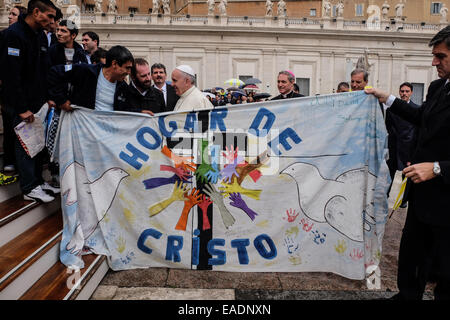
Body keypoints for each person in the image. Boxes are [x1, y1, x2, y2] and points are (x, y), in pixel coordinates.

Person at [365, 25, 450, 300]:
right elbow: (421, 117)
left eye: (440, 56)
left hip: (447, 198)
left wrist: (437, 167)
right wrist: (386, 97)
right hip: (422, 194)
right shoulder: (439, 87)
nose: (433, 62)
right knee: (412, 254)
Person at [0, 0, 59, 202]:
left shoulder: (40, 36)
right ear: (36, 12)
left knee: (37, 145)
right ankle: (28, 188)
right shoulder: (13, 35)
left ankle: (37, 181)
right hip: (20, 105)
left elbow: (44, 70)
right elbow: (11, 75)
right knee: (25, 146)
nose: (52, 21)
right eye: (49, 16)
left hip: (38, 103)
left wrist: (48, 98)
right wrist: (22, 108)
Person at [48, 45, 134, 112]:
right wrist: (61, 100)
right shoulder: (86, 71)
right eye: (127, 68)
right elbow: (54, 72)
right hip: (82, 131)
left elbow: (126, 111)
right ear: (114, 64)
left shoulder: (123, 87)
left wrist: (142, 113)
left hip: (108, 133)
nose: (129, 72)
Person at [385, 82, 419, 205]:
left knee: (407, 174)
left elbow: (417, 131)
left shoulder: (416, 109)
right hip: (394, 147)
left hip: (408, 148)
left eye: (407, 91)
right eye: (402, 91)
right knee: (390, 173)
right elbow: (388, 128)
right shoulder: (391, 109)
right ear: (399, 92)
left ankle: (403, 199)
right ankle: (385, 195)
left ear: (411, 93)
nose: (404, 93)